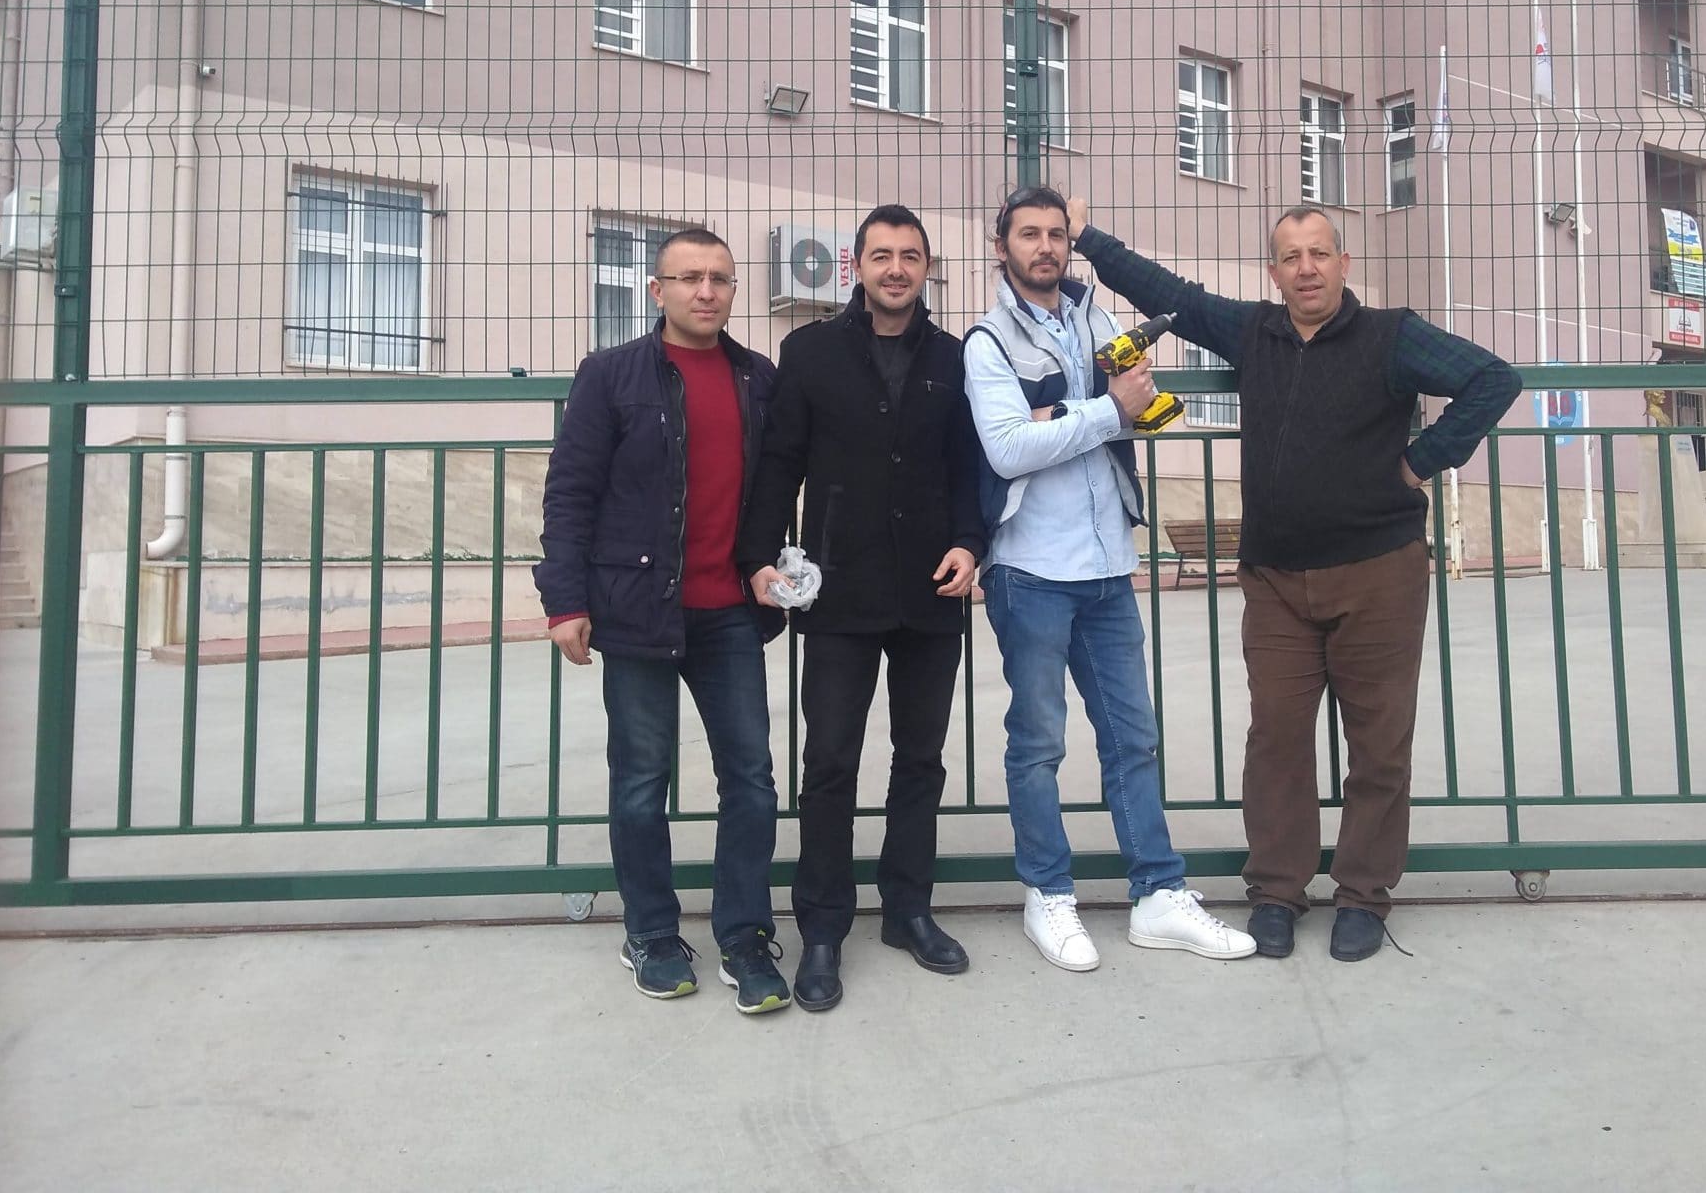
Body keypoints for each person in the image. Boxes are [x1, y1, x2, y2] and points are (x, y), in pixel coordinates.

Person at [1069, 199, 1521, 962]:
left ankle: (1363, 896)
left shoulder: (1391, 335)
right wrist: (1085, 237)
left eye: (1319, 253)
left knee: (1379, 745)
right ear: (1273, 273)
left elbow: (1492, 379)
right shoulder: (1256, 331)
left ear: (1344, 263)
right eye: (1291, 256)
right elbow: (1169, 294)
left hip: (1378, 573)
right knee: (1276, 739)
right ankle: (1277, 891)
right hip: (1276, 579)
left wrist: (1423, 460)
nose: (1306, 268)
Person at [962, 184, 1256, 971]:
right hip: (1029, 568)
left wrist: (1083, 413)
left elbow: (1131, 406)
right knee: (1038, 743)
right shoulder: (988, 341)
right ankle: (1047, 895)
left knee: (1134, 738)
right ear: (1002, 247)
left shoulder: (1096, 320)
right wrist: (1103, 412)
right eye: (1029, 234)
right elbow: (1007, 450)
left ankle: (1158, 895)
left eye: (1057, 234)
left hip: (1108, 566)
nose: (1045, 247)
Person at [534, 226, 792, 1015]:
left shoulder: (759, 378)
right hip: (637, 612)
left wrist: (772, 563)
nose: (705, 291)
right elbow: (570, 492)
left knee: (750, 781)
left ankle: (744, 937)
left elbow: (775, 489)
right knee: (642, 783)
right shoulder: (610, 375)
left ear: (734, 289)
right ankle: (650, 933)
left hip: (730, 615)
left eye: (719, 278)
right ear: (658, 290)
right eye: (688, 278)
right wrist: (564, 601)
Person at [737, 204, 986, 1013]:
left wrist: (970, 543)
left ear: (926, 268)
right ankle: (822, 927)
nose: (896, 269)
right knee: (830, 762)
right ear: (857, 267)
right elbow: (780, 464)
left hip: (930, 590)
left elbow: (968, 467)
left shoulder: (953, 357)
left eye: (910, 255)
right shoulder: (809, 353)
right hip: (839, 590)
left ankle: (908, 909)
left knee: (920, 759)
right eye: (882, 255)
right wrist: (761, 557)